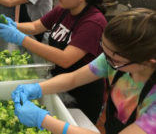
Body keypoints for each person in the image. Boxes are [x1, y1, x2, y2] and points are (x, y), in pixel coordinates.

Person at [11, 8, 156, 134]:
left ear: (148, 62)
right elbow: (73, 79)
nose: (106, 60)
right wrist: (36, 88)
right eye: (103, 50)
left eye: (114, 59)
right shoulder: (115, 60)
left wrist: (42, 120)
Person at [0, 0, 107, 123]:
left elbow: (65, 59)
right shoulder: (64, 9)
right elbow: (35, 26)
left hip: (81, 94)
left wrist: (21, 39)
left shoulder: (93, 22)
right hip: (60, 84)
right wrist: (13, 25)